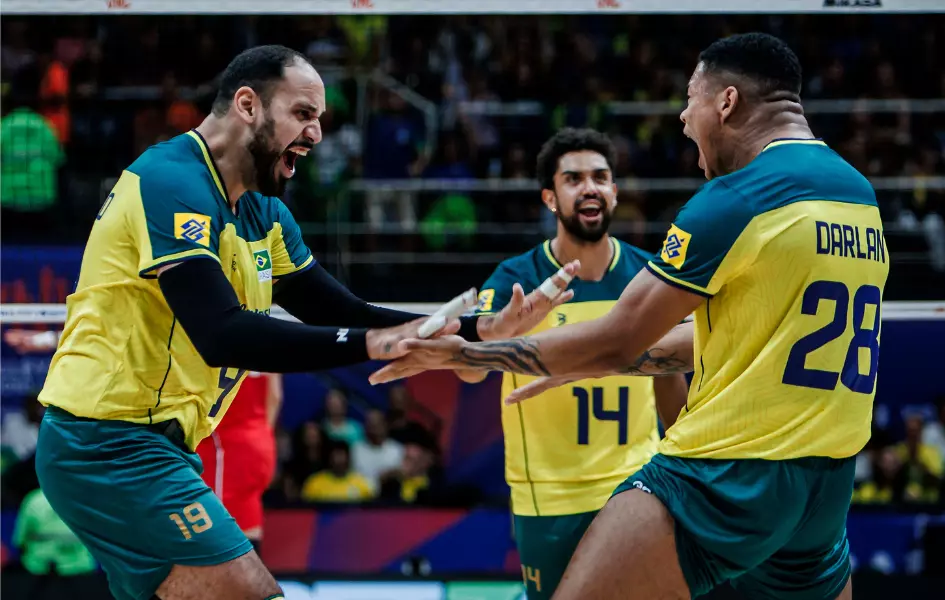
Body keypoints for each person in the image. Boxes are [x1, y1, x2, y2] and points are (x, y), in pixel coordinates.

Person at [33, 45, 576, 600]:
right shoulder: (171, 180)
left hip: (159, 446)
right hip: (104, 443)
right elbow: (223, 334)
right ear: (248, 105)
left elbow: (342, 312)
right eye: (303, 114)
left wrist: (481, 328)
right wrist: (372, 344)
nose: (317, 134)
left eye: (319, 119)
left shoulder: (264, 212)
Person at [370, 33, 890, 600]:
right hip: (826, 481)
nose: (685, 121)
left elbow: (616, 340)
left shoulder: (737, 199)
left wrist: (467, 352)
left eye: (691, 100)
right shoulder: (857, 193)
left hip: (727, 474)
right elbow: (747, 336)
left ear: (727, 102)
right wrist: (601, 362)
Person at [454, 127, 689, 599]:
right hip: (551, 497)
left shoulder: (650, 276)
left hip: (639, 484)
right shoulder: (516, 278)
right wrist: (499, 329)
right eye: (574, 178)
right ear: (550, 198)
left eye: (601, 177)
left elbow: (669, 376)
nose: (590, 188)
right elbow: (469, 369)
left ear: (615, 192)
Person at [196, 372, 282, 553]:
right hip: (261, 439)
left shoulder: (222, 346)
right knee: (247, 508)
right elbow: (275, 396)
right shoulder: (268, 344)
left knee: (218, 523)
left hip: (228, 444)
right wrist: (264, 434)